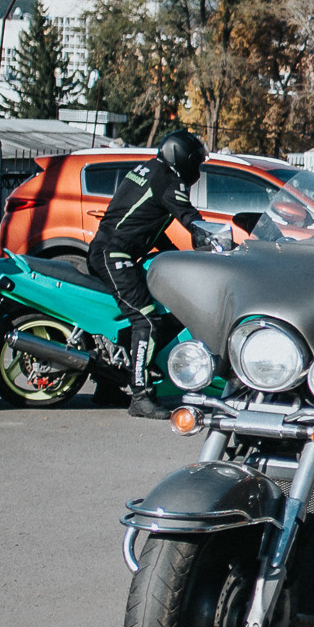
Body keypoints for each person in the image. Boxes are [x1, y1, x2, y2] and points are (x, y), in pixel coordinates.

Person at [86, 130, 226, 419]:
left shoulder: (148, 169)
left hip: (107, 250)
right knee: (147, 320)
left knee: (137, 315)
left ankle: (109, 383)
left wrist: (176, 254)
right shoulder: (167, 179)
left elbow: (149, 220)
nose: (196, 170)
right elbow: (188, 217)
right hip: (115, 256)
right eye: (196, 163)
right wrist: (211, 239)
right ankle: (140, 396)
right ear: (183, 158)